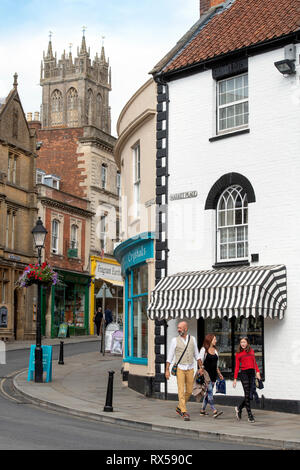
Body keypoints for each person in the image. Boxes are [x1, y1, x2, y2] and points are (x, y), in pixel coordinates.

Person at [165, 321, 201, 421]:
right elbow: (170, 356)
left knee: (189, 391)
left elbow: (197, 355)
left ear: (186, 328)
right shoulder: (174, 340)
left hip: (190, 368)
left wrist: (201, 367)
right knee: (181, 390)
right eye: (178, 328)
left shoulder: (192, 339)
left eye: (180, 328)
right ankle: (184, 412)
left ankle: (179, 407)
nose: (178, 329)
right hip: (180, 369)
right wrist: (167, 370)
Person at [233, 336, 261, 423]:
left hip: (252, 373)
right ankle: (250, 415)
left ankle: (239, 408)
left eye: (244, 342)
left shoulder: (251, 350)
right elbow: (237, 367)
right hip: (244, 374)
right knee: (247, 394)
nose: (243, 344)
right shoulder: (238, 353)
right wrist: (235, 379)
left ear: (247, 343)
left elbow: (254, 362)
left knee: (250, 395)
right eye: (241, 342)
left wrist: (258, 372)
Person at [198, 334, 224, 418]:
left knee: (208, 393)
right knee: (210, 392)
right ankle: (214, 410)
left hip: (213, 375)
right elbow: (199, 360)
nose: (216, 341)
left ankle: (202, 410)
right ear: (210, 340)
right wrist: (201, 368)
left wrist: (219, 374)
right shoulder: (204, 350)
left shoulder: (215, 350)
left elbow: (216, 365)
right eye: (214, 339)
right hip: (206, 375)